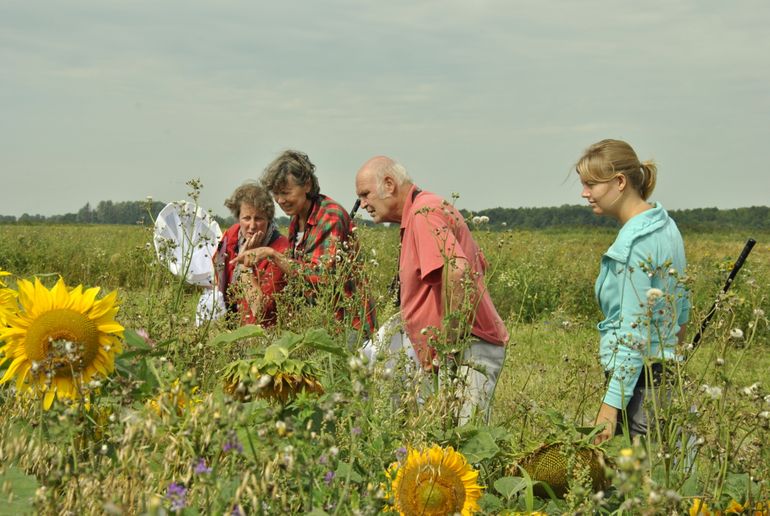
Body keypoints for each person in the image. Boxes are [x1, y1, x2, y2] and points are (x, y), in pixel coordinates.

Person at [354, 155, 509, 424]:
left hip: (467, 349)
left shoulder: (423, 213)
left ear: (389, 184)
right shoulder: (420, 210)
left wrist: (445, 343)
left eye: (365, 194)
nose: (363, 204)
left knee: (465, 443)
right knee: (441, 437)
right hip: (457, 350)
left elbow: (457, 272)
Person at [575, 139, 690, 445]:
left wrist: (609, 408)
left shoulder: (634, 245)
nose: (584, 193)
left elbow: (633, 335)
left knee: (634, 486)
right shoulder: (666, 226)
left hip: (638, 389)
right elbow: (683, 308)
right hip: (665, 378)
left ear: (620, 182)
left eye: (591, 184)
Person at [233, 150, 375, 339]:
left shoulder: (330, 216)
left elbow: (321, 276)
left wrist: (272, 254)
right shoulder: (297, 219)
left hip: (348, 324)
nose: (280, 200)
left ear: (307, 185)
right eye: (276, 194)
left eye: (285, 192)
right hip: (321, 324)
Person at [214, 182, 289, 326]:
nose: (252, 226)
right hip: (230, 322)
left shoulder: (280, 250)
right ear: (238, 218)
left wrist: (245, 267)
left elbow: (261, 310)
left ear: (269, 219)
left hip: (262, 333)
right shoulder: (232, 235)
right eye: (246, 218)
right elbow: (218, 274)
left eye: (259, 218)